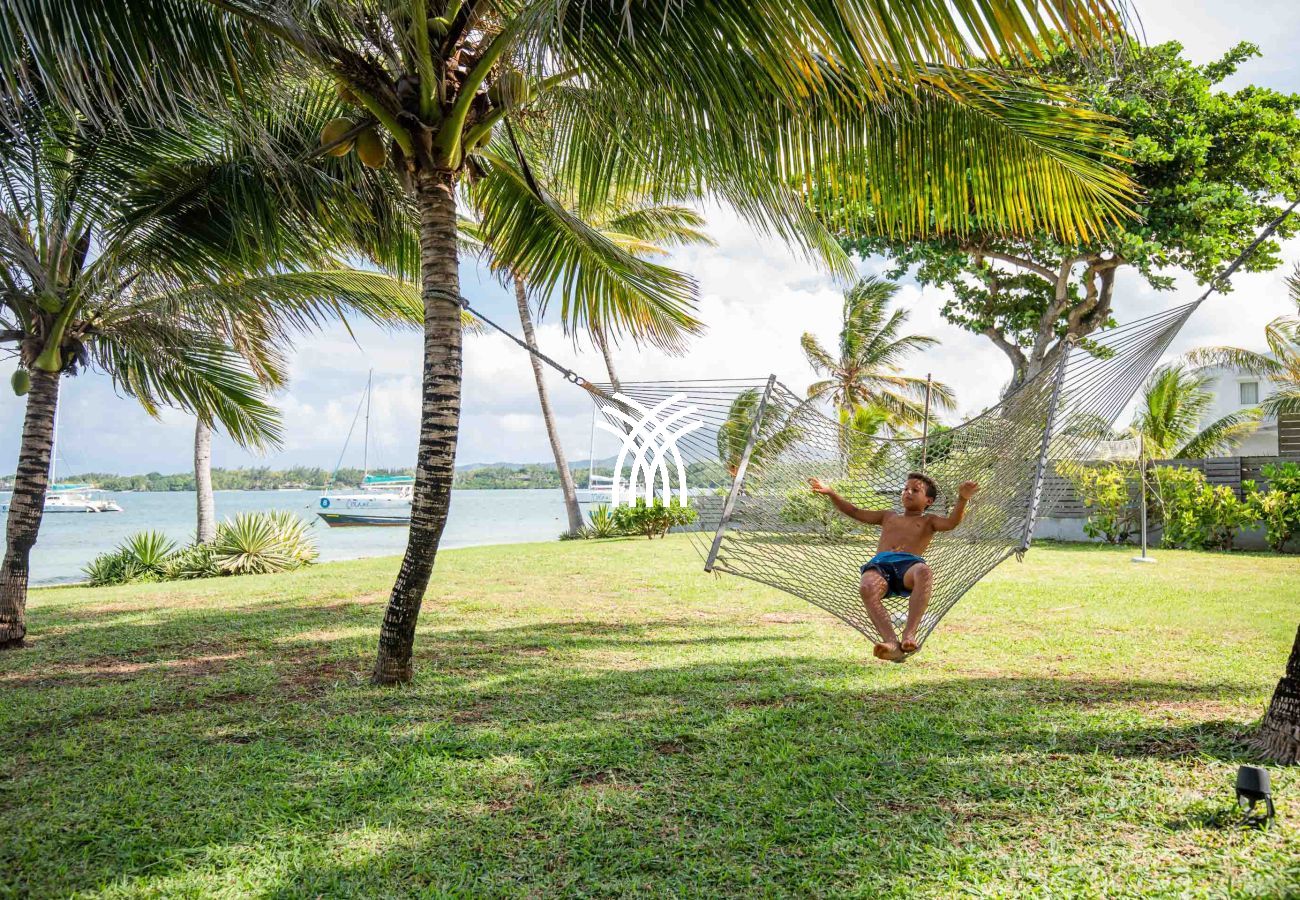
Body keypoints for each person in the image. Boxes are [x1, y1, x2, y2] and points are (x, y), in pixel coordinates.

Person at [808, 473, 979, 661]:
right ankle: (891, 642)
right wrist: (831, 493)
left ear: (928, 501)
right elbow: (854, 511)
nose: (908, 492)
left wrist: (962, 499)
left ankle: (909, 634)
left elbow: (951, 523)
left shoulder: (928, 521)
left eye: (915, 490)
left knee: (924, 571)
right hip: (880, 566)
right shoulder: (887, 516)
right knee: (867, 587)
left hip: (908, 567)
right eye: (905, 489)